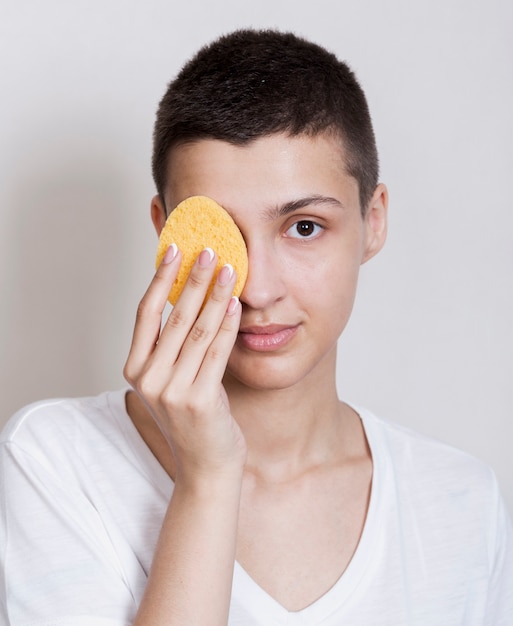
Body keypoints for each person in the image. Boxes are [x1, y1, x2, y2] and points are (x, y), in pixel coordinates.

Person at [0, 28, 512, 626]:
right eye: (220, 234)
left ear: (373, 222)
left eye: (304, 227)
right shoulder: (56, 462)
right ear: (165, 231)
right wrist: (209, 479)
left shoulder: (460, 503)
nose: (258, 288)